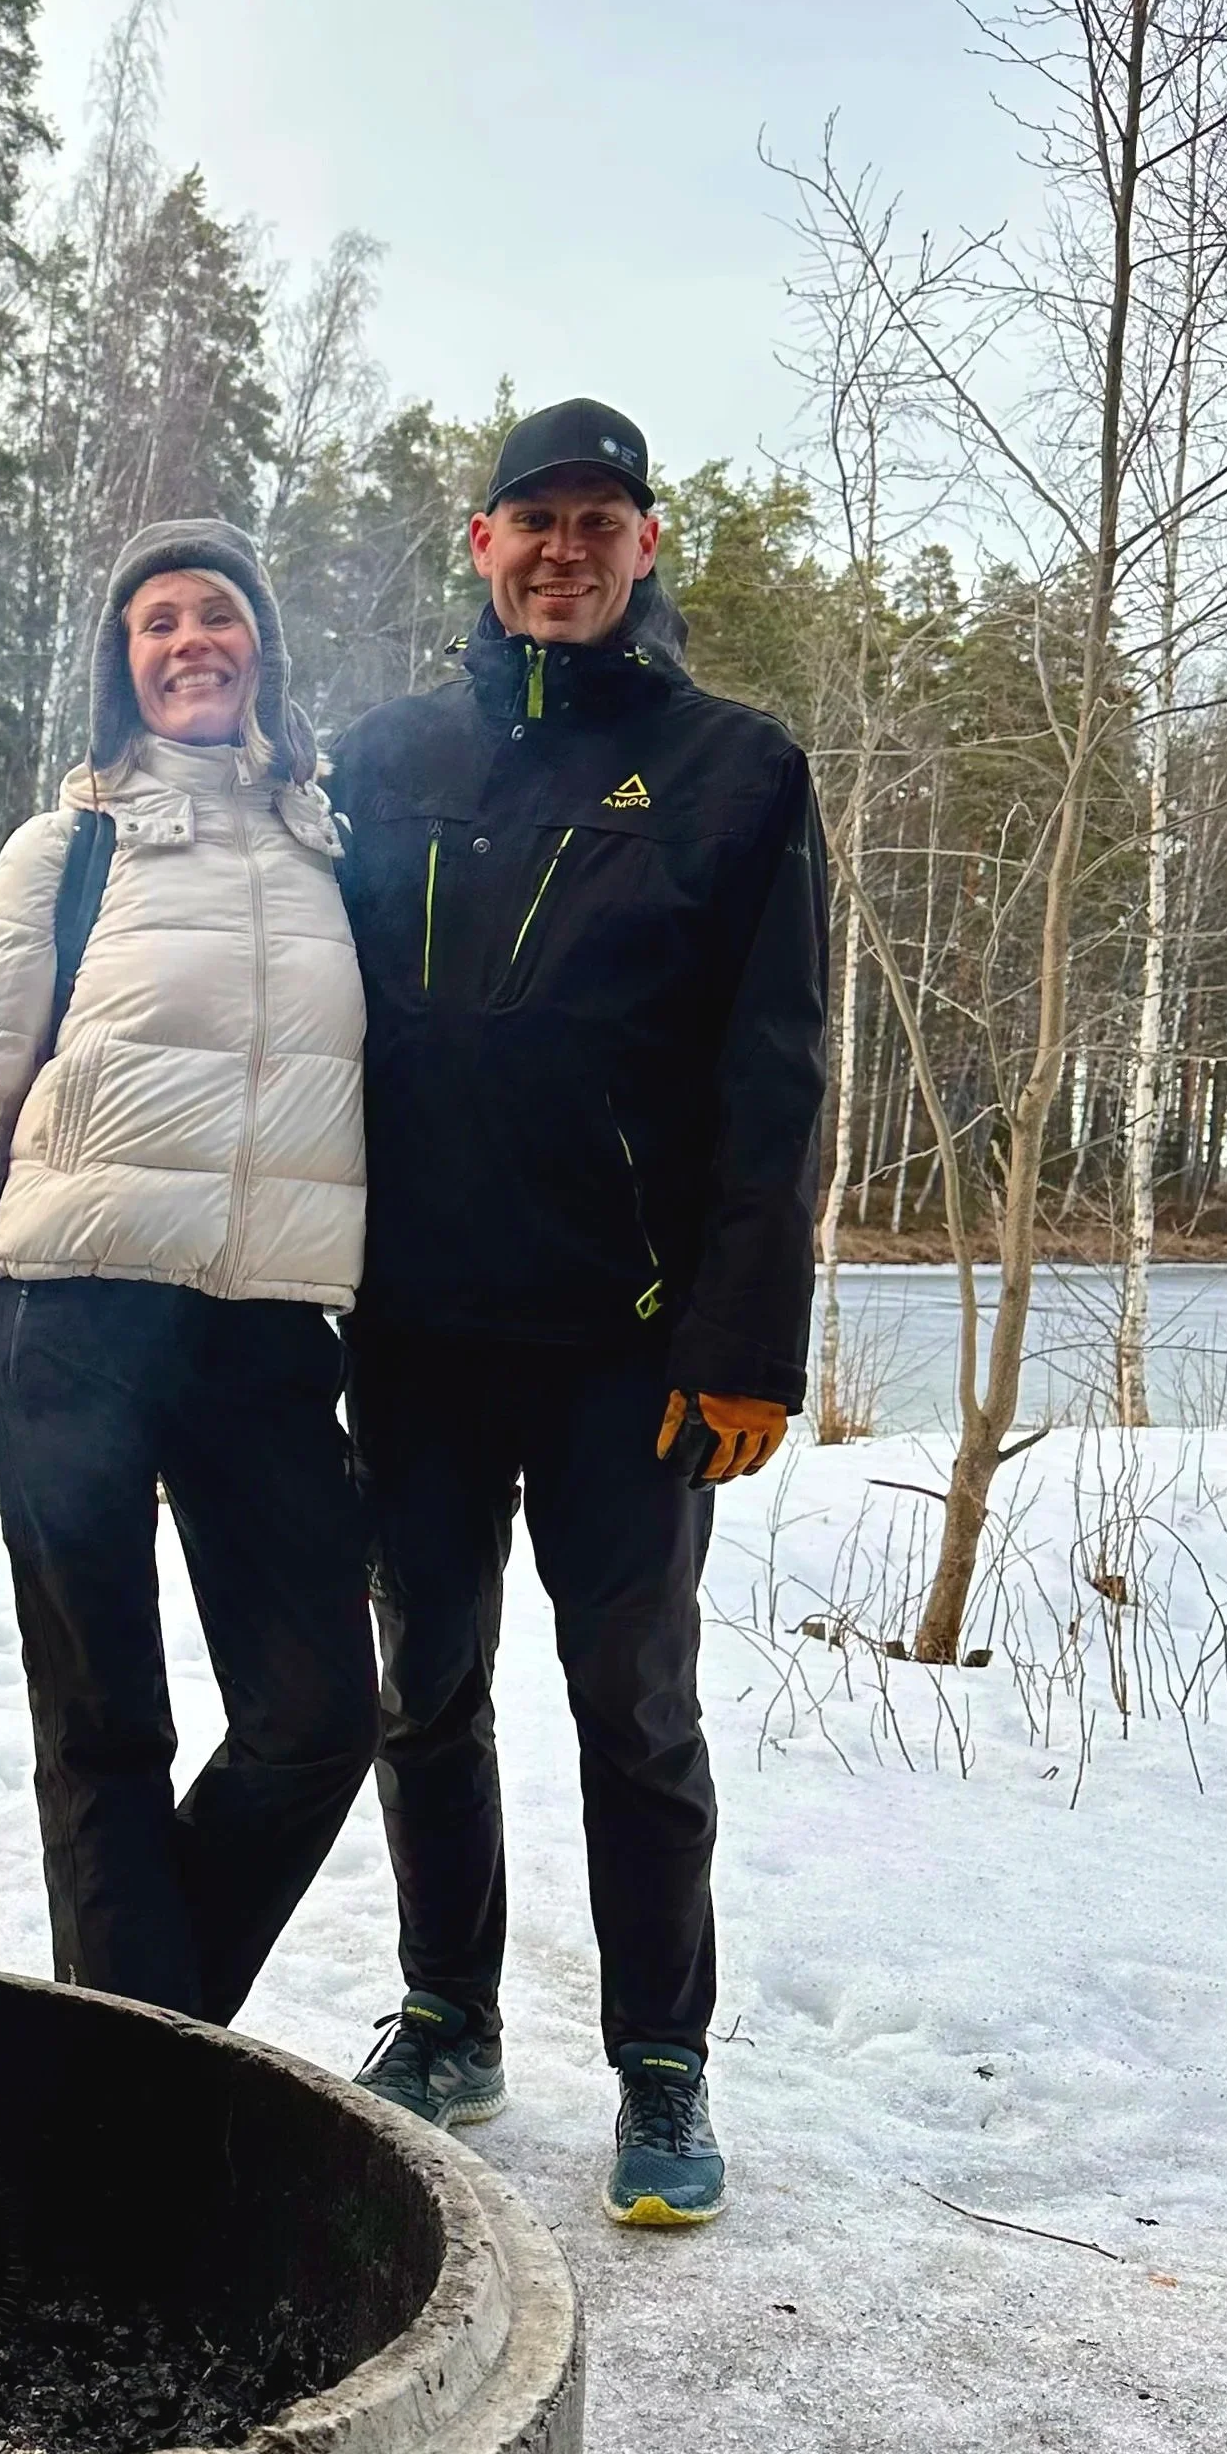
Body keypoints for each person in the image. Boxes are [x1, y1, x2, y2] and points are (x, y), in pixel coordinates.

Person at [327, 399, 827, 2223]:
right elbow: (301, 1024)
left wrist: (747, 1339)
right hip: (416, 1332)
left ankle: (663, 2066)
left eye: (596, 520)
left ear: (647, 543)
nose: (561, 547)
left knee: (635, 1702)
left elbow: (776, 1072)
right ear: (479, 543)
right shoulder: (383, 756)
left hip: (628, 1341)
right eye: (529, 517)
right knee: (425, 1685)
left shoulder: (734, 771)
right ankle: (451, 2011)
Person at [0, 518, 375, 2024]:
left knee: (317, 1717)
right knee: (105, 1733)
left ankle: (133, 2042)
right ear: (121, 663)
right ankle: (140, 2088)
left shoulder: (335, 850)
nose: (190, 639)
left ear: (261, 641)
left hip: (268, 1339)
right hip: (69, 1321)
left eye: (217, 612)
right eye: (157, 622)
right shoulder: (66, 849)